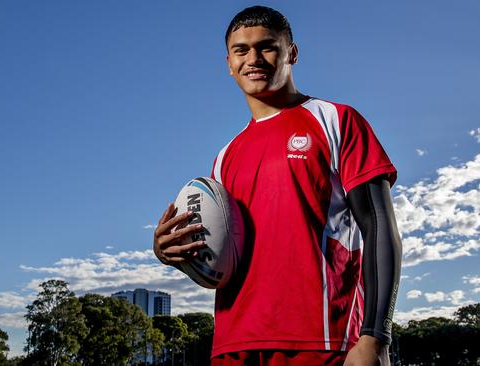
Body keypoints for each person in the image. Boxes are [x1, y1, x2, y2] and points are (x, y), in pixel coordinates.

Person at [153, 6, 402, 366]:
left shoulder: (335, 120)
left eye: (267, 46)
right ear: (228, 62)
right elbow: (225, 259)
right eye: (241, 50)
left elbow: (378, 227)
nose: (253, 58)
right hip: (233, 345)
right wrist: (176, 253)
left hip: (322, 340)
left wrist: (376, 337)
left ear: (292, 53)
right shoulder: (225, 157)